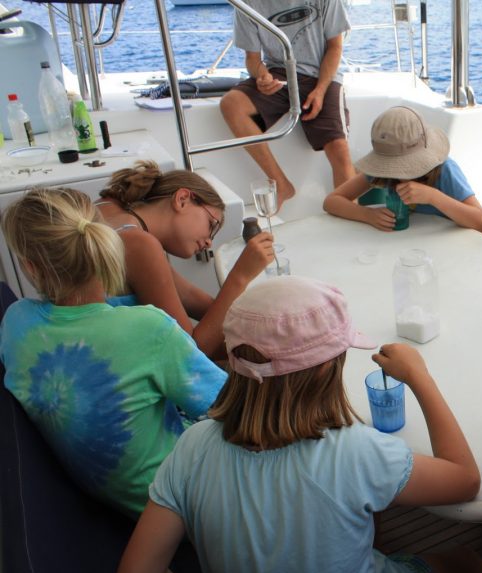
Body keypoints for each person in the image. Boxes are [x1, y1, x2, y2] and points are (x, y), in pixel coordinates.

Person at [116, 276, 482, 573]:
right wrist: (420, 378)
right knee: (461, 564)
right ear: (326, 370)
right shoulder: (355, 452)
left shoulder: (193, 446)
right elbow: (464, 480)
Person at [0, 188, 226, 519]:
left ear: (31, 268)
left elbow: (83, 320)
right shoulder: (148, 329)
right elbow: (232, 407)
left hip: (116, 498)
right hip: (186, 503)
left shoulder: (16, 322)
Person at [96, 160, 273, 358]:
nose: (208, 244)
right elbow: (191, 352)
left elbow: (191, 297)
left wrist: (262, 323)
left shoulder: (110, 207)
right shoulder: (139, 244)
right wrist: (240, 276)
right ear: (182, 199)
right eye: (211, 225)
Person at [219, 0, 355, 205]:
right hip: (280, 74)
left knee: (338, 147)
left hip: (322, 74)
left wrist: (320, 90)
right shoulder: (247, 3)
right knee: (231, 104)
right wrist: (262, 75)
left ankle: (351, 213)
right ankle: (281, 184)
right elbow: (253, 59)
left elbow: (335, 47)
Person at [324, 106, 482, 234]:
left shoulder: (444, 170)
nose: (398, 173)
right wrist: (367, 215)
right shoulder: (381, 171)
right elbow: (331, 201)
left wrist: (433, 197)